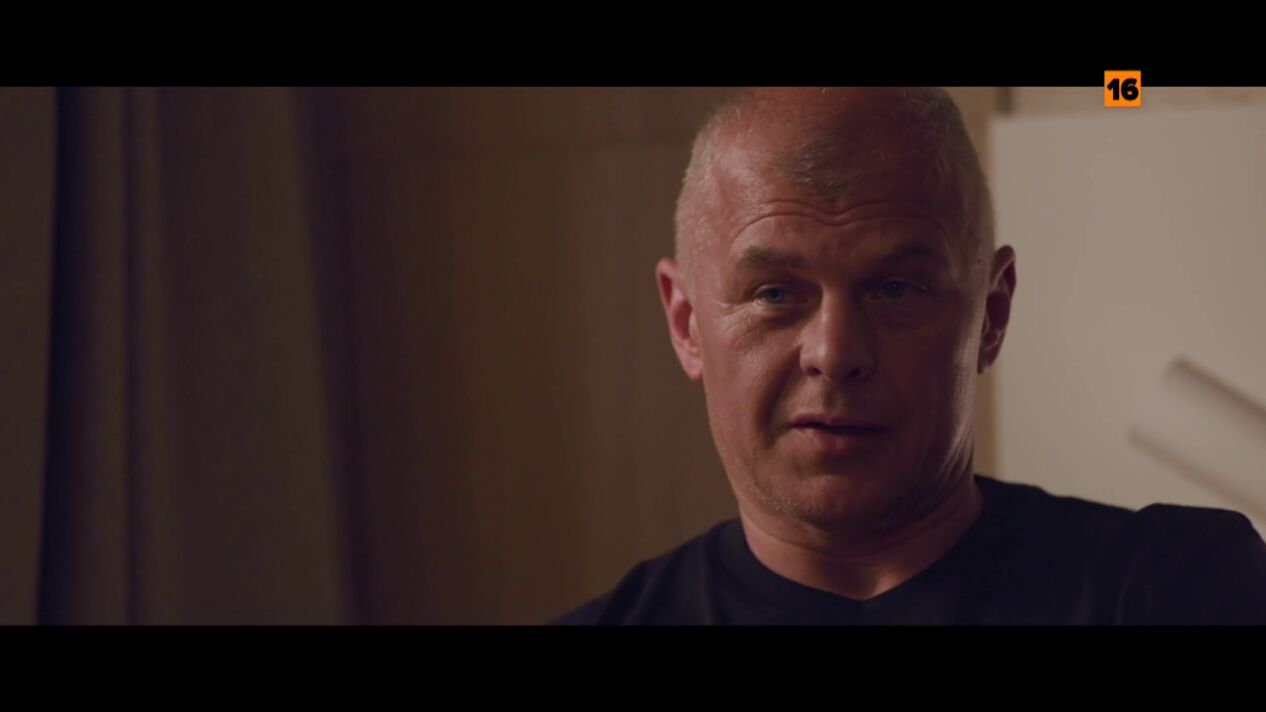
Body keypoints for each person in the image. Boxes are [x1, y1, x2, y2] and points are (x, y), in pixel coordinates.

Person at [552, 87, 1266, 625]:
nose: (834, 353)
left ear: (992, 315)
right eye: (774, 293)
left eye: (895, 288)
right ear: (686, 324)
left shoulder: (1180, 588)